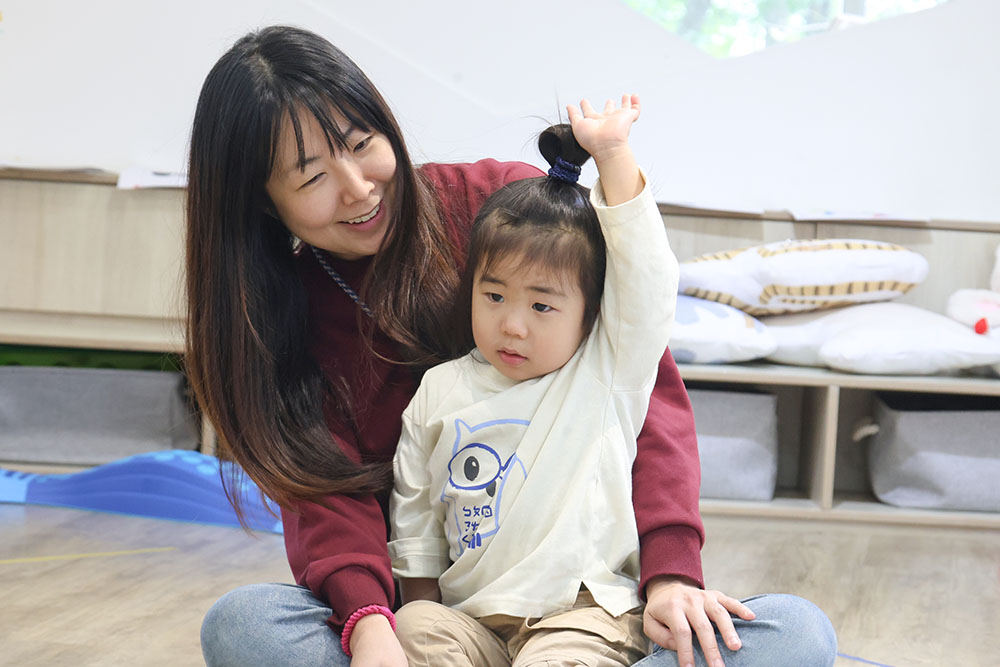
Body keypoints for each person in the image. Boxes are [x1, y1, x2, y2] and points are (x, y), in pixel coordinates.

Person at [187, 25, 837, 667]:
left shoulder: (510, 213)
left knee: (795, 633)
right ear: (263, 204)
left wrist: (671, 575)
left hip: (586, 605)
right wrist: (372, 625)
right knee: (245, 623)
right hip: (444, 611)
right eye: (311, 178)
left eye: (362, 144)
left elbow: (649, 389)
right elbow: (336, 494)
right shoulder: (290, 321)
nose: (358, 187)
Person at [388, 98, 679, 666]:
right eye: (494, 296)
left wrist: (612, 155)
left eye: (542, 306)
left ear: (590, 314)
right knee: (412, 627)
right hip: (471, 620)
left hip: (580, 614)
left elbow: (647, 278)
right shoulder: (439, 390)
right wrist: (419, 614)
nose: (512, 325)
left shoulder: (605, 370)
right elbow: (415, 516)